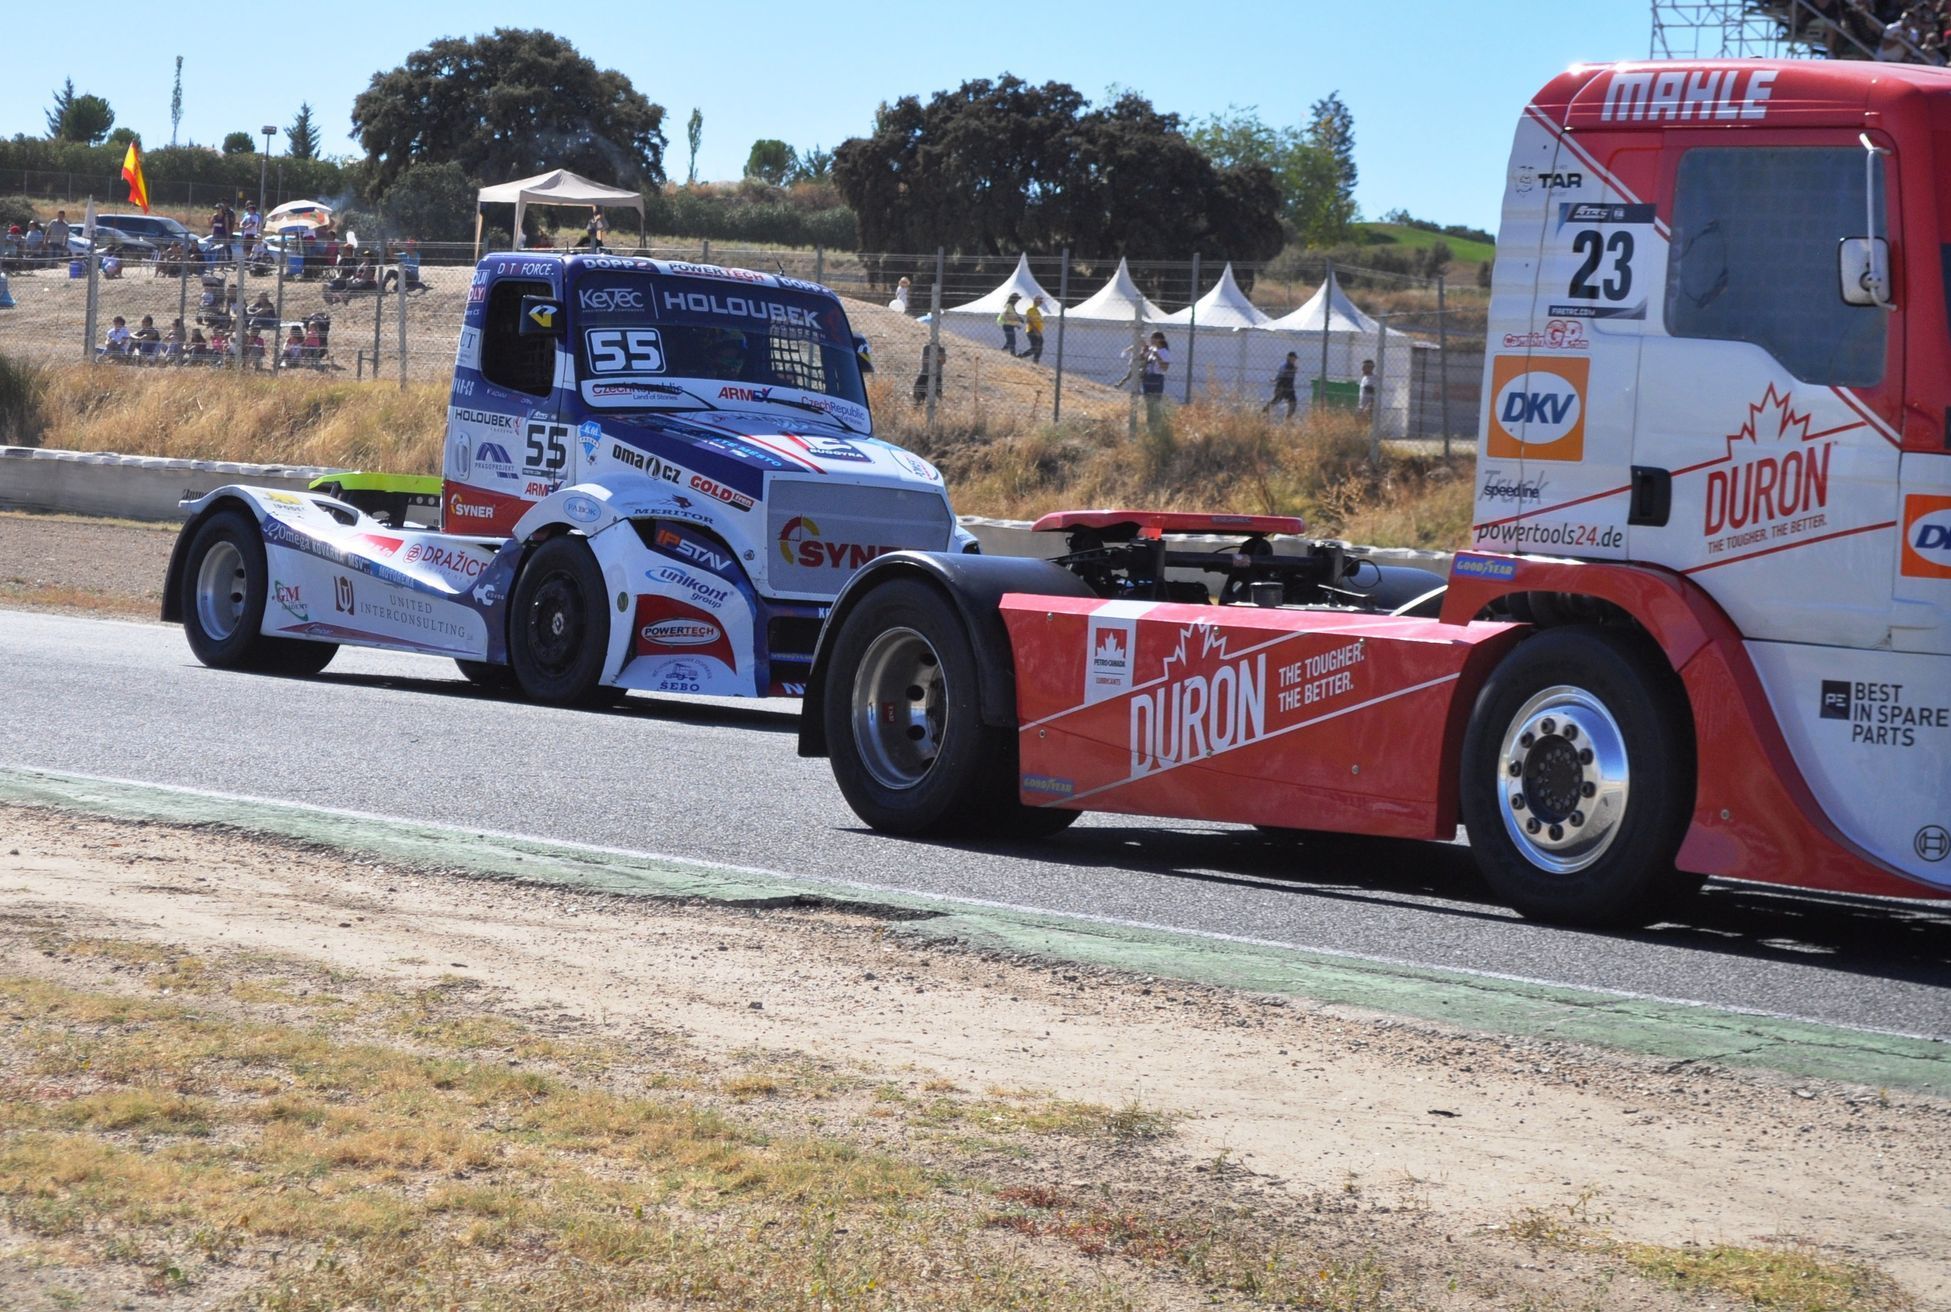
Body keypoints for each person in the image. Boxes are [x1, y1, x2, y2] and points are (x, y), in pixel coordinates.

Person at [1141, 331, 1171, 434]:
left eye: (1153, 338)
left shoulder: (1164, 352)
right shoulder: (1152, 350)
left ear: (1159, 339)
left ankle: (1157, 427)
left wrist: (1157, 356)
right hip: (1148, 378)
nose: (1151, 340)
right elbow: (1143, 360)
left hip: (1157, 379)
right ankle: (1150, 428)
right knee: (1149, 404)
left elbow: (1165, 368)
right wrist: (1144, 351)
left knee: (1155, 404)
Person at [911, 339, 948, 406]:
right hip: (925, 373)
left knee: (937, 393)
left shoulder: (941, 349)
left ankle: (938, 407)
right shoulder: (926, 348)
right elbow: (925, 361)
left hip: (936, 374)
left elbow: (943, 361)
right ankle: (918, 404)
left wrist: (937, 354)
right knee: (918, 389)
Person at [1264, 352, 1299, 417]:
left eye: (1295, 359)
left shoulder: (1293, 366)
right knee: (1275, 401)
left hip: (1290, 388)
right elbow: (1280, 375)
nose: (1294, 360)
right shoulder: (1285, 366)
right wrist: (1275, 379)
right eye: (1293, 358)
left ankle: (1288, 418)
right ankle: (1264, 411)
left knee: (1293, 403)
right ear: (1289, 358)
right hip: (1282, 387)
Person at [1019, 295, 1046, 363]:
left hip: (1037, 331)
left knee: (1039, 347)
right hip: (1033, 331)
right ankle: (1021, 356)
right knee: (1035, 347)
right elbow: (1029, 321)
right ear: (1035, 301)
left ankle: (1035, 361)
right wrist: (1036, 330)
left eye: (1041, 301)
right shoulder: (1031, 310)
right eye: (1040, 300)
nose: (1041, 302)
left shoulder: (1037, 311)